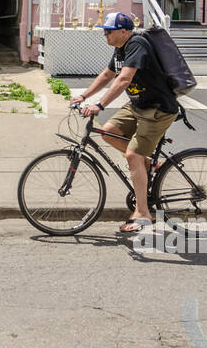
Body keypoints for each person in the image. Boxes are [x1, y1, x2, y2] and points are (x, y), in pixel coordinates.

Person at [69, 12, 179, 234]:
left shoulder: (137, 44)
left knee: (132, 156)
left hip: (157, 108)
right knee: (108, 132)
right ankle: (148, 162)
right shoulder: (120, 49)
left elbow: (124, 79)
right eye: (104, 30)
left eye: (108, 30)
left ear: (124, 31)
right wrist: (83, 96)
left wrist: (99, 105)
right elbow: (107, 75)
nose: (105, 34)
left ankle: (143, 213)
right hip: (139, 105)